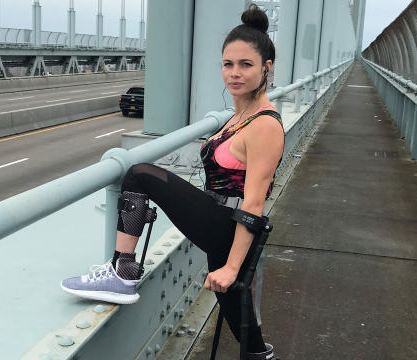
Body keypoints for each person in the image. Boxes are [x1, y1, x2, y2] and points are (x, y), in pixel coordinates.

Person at [61, 4, 283, 359]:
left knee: (139, 174)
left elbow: (254, 204)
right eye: (228, 64)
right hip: (218, 218)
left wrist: (231, 266)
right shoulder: (240, 116)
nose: (234, 73)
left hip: (227, 224)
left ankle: (123, 270)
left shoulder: (265, 125)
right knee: (239, 319)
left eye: (246, 65)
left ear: (266, 68)